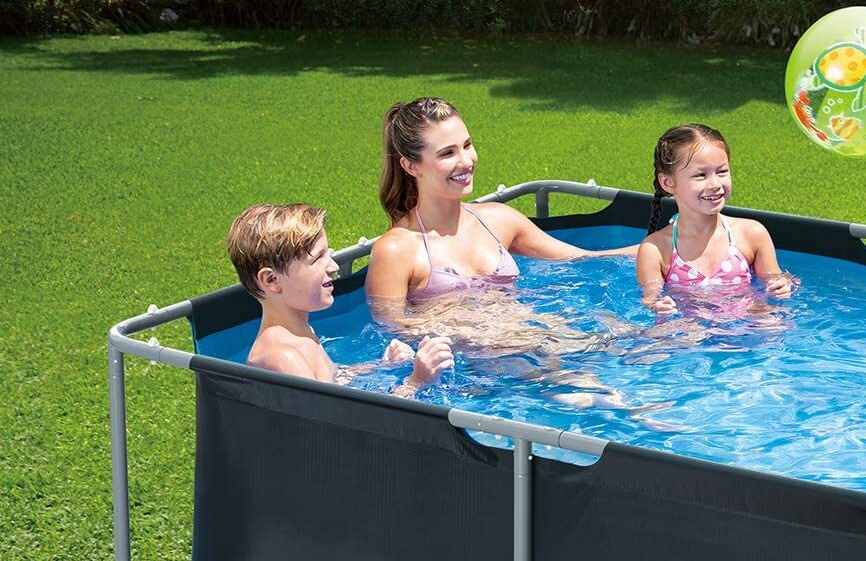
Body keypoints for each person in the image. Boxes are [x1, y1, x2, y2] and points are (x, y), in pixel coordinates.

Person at [365, 97, 634, 307]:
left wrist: (659, 246)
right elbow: (393, 331)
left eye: (467, 145)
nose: (466, 161)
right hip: (475, 370)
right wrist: (473, 324)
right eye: (448, 153)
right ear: (411, 166)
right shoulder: (397, 250)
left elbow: (583, 259)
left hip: (530, 339)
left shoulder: (499, 220)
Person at [227, 202, 451, 394]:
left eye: (329, 255)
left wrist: (381, 365)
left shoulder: (300, 333)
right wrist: (416, 382)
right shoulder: (284, 358)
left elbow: (332, 379)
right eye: (317, 259)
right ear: (272, 280)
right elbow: (342, 430)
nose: (334, 267)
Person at [636, 124, 794, 313]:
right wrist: (657, 305)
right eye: (700, 175)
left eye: (722, 171)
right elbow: (650, 298)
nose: (715, 184)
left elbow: (775, 277)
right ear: (668, 183)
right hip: (691, 327)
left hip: (746, 321)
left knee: (770, 323)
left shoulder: (751, 233)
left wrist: (782, 285)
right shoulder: (655, 250)